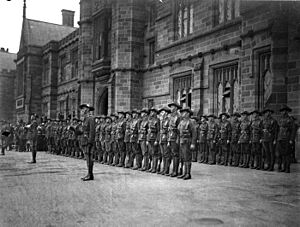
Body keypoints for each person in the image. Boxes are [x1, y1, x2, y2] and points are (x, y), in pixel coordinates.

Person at [177, 107, 196, 180]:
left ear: (188, 114)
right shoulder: (181, 122)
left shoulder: (191, 122)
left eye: (184, 112)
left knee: (187, 158)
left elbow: (194, 133)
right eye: (182, 112)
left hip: (187, 141)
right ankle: (184, 173)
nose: (182, 114)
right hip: (182, 141)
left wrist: (193, 143)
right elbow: (179, 131)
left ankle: (188, 173)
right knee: (183, 158)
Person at [79, 103, 95, 181]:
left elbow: (92, 131)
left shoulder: (90, 118)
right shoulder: (85, 119)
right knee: (87, 158)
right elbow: (83, 131)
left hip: (88, 141)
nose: (81, 111)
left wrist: (90, 142)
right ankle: (89, 174)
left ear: (87, 110)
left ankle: (90, 175)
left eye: (83, 109)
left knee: (89, 158)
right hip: (84, 140)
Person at [166, 102, 182, 177]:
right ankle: (172, 170)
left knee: (176, 154)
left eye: (172, 107)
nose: (171, 108)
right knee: (171, 154)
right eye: (171, 107)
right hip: (170, 137)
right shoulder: (170, 117)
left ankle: (175, 171)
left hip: (175, 137)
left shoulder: (178, 117)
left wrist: (178, 139)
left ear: (176, 108)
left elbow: (179, 130)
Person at [276, 105, 293, 173]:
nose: (284, 112)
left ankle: (287, 168)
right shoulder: (280, 119)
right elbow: (278, 129)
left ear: (287, 111)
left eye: (285, 110)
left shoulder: (290, 119)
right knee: (280, 154)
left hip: (287, 138)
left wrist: (291, 139)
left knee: (287, 154)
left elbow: (293, 130)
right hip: (280, 138)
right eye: (282, 111)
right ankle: (282, 167)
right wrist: (277, 138)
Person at [157, 107, 171, 175]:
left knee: (166, 154)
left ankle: (167, 169)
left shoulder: (168, 120)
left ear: (166, 113)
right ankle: (163, 169)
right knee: (163, 155)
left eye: (163, 112)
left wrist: (168, 140)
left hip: (166, 139)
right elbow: (160, 131)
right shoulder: (161, 121)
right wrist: (159, 139)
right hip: (162, 139)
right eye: (161, 113)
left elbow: (169, 131)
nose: (161, 114)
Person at [147, 107, 160, 173]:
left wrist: (156, 140)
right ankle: (152, 167)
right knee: (151, 153)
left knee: (155, 153)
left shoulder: (157, 120)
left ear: (155, 113)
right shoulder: (150, 120)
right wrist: (147, 139)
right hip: (150, 138)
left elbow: (158, 131)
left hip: (154, 138)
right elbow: (148, 131)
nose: (151, 113)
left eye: (153, 112)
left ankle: (155, 167)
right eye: (151, 112)